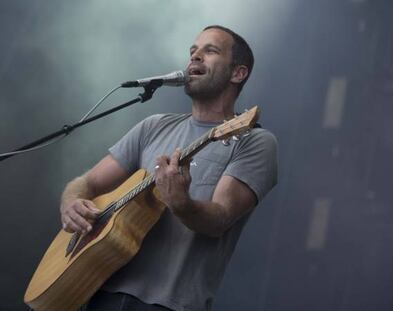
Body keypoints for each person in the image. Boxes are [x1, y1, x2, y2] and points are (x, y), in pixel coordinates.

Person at [60, 25, 278, 311]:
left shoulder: (254, 140)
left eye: (210, 51)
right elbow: (85, 183)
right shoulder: (153, 126)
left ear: (238, 73)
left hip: (168, 305)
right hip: (100, 291)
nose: (195, 57)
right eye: (193, 51)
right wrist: (71, 202)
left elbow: (219, 220)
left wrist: (181, 202)